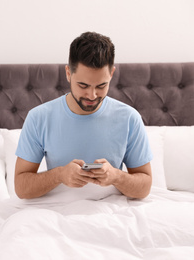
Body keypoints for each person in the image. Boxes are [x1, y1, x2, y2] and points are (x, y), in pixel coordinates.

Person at [15, 32, 153, 200]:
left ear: (112, 74)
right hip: (57, 213)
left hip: (111, 214)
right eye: (83, 85)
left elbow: (144, 187)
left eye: (101, 85)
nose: (92, 95)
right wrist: (59, 174)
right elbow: (21, 188)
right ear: (68, 73)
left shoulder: (129, 118)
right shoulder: (38, 118)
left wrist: (116, 176)